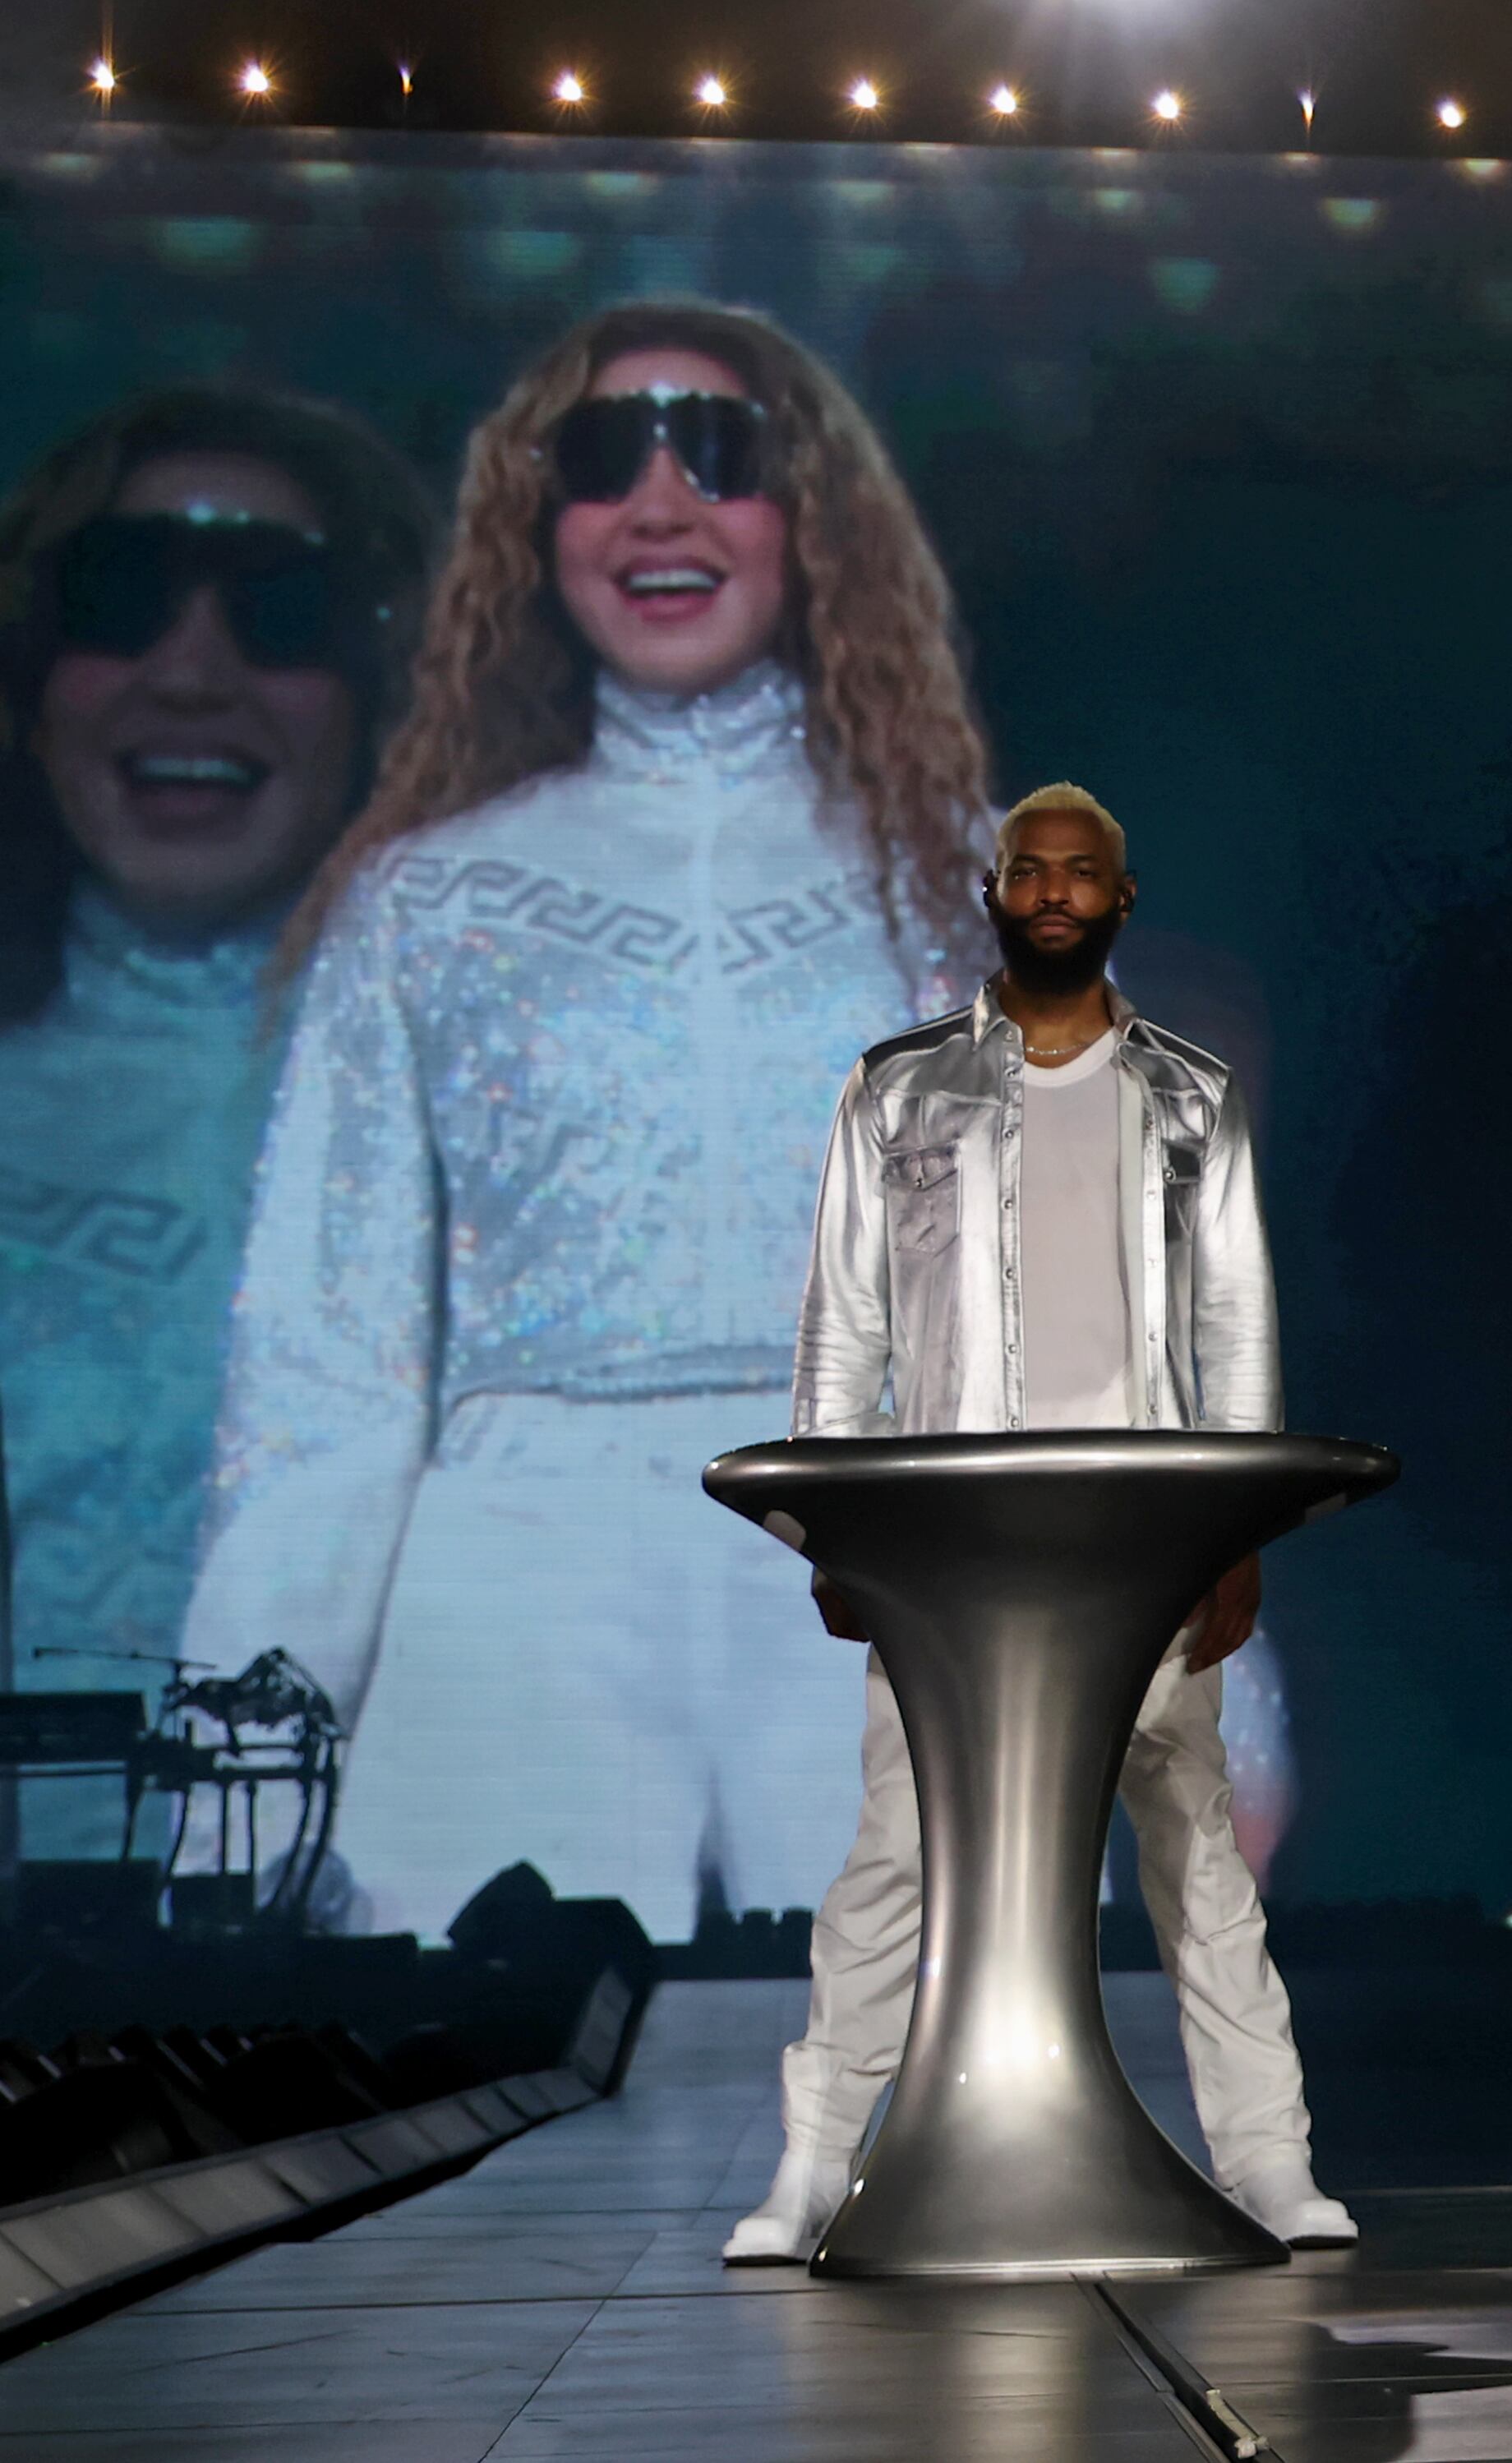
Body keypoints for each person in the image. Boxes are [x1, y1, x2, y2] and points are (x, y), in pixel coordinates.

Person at [184, 301, 993, 1940]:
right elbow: (322, 1380)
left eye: (724, 453)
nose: (663, 503)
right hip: (512, 1586)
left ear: (811, 516)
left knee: (912, 2143)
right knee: (483, 2124)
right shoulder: (423, 903)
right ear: (536, 527)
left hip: (887, 1564)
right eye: (603, 457)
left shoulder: (971, 887)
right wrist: (225, 1792)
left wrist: (1205, 1706)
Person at [723, 782, 1349, 2261]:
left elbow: (1235, 1320)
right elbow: (845, 1323)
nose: (1056, 892)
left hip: (1144, 1555)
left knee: (1197, 1859)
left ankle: (1269, 2166)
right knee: (896, 1857)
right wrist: (835, 1531)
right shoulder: (899, 1087)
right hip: (961, 1564)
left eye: (1084, 874)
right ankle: (815, 2168)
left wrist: (1240, 1528)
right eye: (1031, 871)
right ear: (994, 892)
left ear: (1123, 900)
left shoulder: (1190, 1091)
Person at [0, 387, 428, 1857]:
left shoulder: (496, 1115)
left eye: (281, 611)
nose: (190, 672)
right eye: (120, 599)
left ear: (384, 695)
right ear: (31, 675)